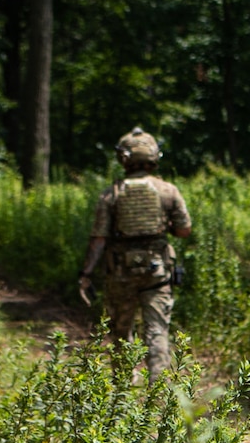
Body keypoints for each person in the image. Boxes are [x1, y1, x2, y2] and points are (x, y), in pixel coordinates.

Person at [78, 128, 192, 375]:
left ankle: (123, 389)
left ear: (123, 158)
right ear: (154, 157)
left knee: (121, 333)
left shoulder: (111, 194)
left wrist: (85, 274)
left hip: (121, 273)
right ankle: (157, 395)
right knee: (157, 332)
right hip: (157, 272)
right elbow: (184, 230)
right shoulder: (168, 191)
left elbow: (99, 240)